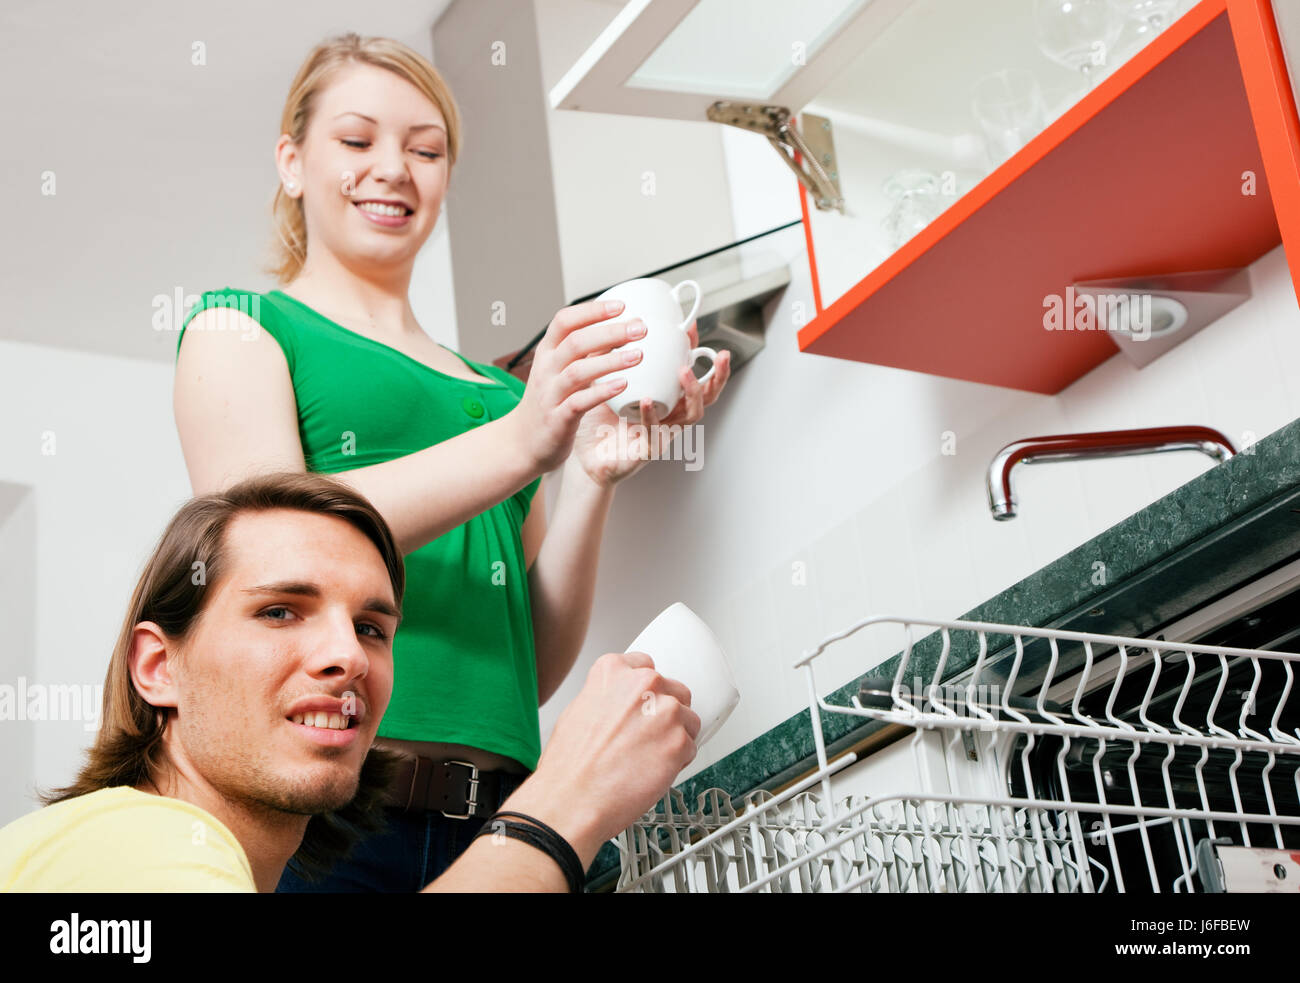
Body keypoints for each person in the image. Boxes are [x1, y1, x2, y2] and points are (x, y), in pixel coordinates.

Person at [172, 31, 729, 891]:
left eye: (425, 149)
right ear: (291, 161)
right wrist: (523, 443)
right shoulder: (239, 327)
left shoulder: (503, 395)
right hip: (335, 818)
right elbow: (273, 543)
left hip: (512, 813)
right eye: (356, 141)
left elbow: (529, 663)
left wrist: (586, 474)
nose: (393, 168)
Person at [0, 472, 699, 892]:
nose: (349, 655)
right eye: (280, 611)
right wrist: (564, 802)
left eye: (371, 626)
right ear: (159, 667)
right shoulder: (127, 840)